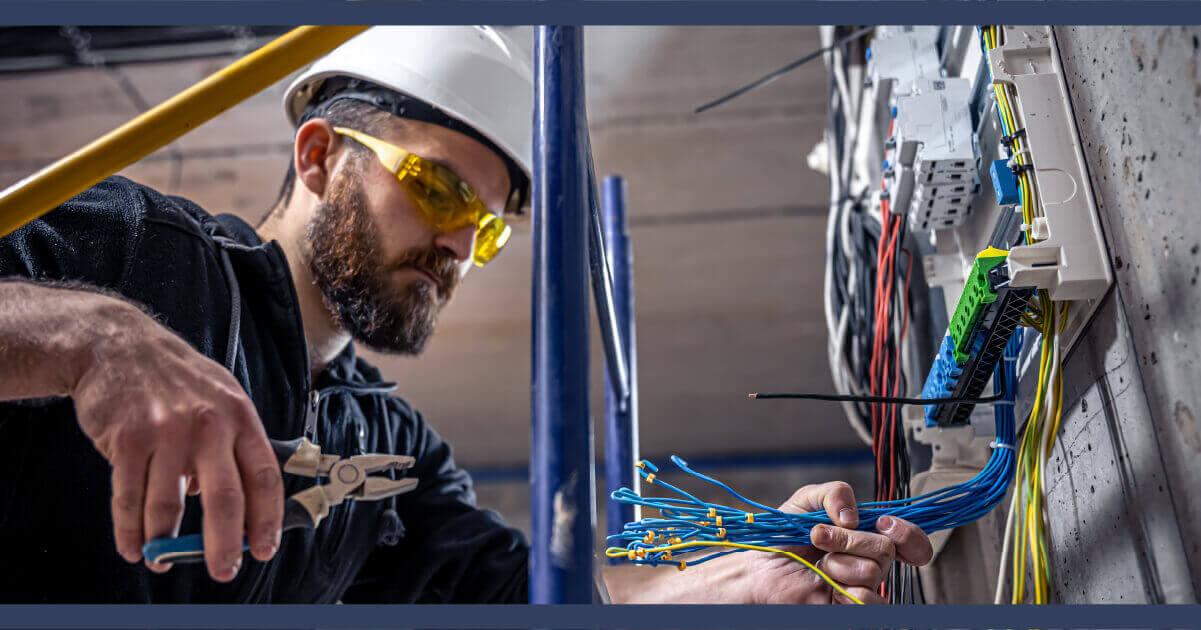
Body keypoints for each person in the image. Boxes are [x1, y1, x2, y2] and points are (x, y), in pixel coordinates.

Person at [0, 26, 931, 603]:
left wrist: (743, 570)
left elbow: (535, 599)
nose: (459, 247)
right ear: (321, 156)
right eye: (440, 189)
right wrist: (91, 339)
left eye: (486, 228)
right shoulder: (135, 251)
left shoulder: (394, 452)